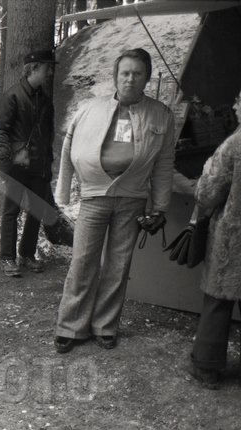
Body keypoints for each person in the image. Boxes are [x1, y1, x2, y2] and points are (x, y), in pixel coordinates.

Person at [54, 48, 175, 353]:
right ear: (116, 76)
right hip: (94, 196)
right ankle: (71, 326)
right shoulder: (90, 109)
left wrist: (160, 206)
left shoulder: (160, 114)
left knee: (118, 266)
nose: (130, 79)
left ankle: (105, 326)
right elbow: (68, 148)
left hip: (132, 198)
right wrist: (63, 192)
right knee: (82, 261)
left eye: (137, 73)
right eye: (125, 73)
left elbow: (164, 163)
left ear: (146, 77)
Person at [187, 90, 241, 389]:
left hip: (233, 240)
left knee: (218, 301)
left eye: (239, 100)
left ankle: (205, 366)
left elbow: (207, 194)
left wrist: (207, 168)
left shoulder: (234, 144)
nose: (234, 105)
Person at [0, 49, 58, 277]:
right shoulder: (12, 96)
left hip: (38, 165)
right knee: (11, 211)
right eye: (47, 67)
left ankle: (27, 254)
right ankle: (7, 257)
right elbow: (0, 131)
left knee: (37, 210)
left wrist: (48, 163)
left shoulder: (45, 101)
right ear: (34, 68)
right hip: (17, 165)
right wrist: (6, 160)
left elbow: (48, 135)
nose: (50, 72)